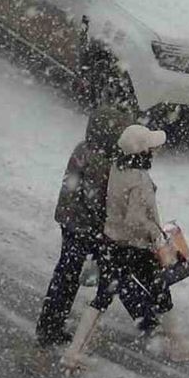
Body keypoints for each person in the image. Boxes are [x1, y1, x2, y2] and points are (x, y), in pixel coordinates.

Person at [62, 124, 189, 370]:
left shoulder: (118, 167)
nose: (156, 151)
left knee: (106, 297)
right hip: (132, 247)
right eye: (152, 148)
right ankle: (177, 345)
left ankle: (75, 352)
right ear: (141, 152)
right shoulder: (138, 179)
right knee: (157, 290)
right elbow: (134, 220)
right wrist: (157, 233)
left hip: (113, 243)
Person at [35, 106, 132, 346]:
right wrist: (107, 223)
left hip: (70, 220)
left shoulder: (84, 148)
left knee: (66, 272)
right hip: (82, 225)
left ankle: (50, 323)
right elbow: (94, 198)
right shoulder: (100, 158)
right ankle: (52, 327)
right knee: (75, 273)